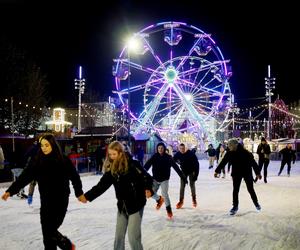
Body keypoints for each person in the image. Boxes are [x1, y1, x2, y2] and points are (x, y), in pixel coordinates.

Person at [1, 133, 85, 249]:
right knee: (47, 235)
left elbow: (75, 177)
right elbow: (25, 177)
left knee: (50, 230)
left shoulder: (63, 160)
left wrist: (79, 193)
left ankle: (66, 245)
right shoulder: (37, 161)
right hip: (45, 202)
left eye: (47, 145)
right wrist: (10, 191)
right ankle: (66, 245)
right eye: (42, 145)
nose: (44, 148)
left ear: (53, 145)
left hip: (60, 201)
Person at [81, 141, 153, 250]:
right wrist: (87, 196)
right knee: (119, 237)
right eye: (110, 154)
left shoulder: (133, 164)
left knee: (133, 237)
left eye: (114, 154)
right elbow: (101, 186)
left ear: (120, 153)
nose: (112, 157)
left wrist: (148, 189)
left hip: (136, 205)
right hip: (122, 206)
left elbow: (147, 177)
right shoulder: (112, 170)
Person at [214, 138, 262, 215]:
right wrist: (217, 170)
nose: (228, 147)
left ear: (234, 146)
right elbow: (224, 162)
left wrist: (258, 173)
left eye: (230, 146)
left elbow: (253, 163)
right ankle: (235, 206)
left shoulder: (246, 153)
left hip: (247, 172)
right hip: (236, 173)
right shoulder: (230, 153)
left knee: (250, 189)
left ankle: (256, 203)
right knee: (235, 190)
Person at [144, 142, 187, 219]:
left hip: (164, 180)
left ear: (164, 149)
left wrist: (182, 177)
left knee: (165, 194)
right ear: (157, 149)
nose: (160, 149)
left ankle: (169, 210)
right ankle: (159, 200)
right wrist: (142, 171)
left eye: (162, 148)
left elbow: (176, 167)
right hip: (155, 179)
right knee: (150, 193)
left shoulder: (168, 157)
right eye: (159, 148)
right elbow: (147, 165)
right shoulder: (154, 157)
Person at [173, 143, 199, 209]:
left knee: (192, 185)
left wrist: (196, 175)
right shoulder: (178, 154)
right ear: (179, 148)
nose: (182, 150)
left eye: (183, 148)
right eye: (180, 148)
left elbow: (197, 165)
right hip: (183, 172)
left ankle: (194, 199)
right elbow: (173, 160)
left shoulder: (191, 154)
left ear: (186, 148)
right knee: (182, 187)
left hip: (191, 171)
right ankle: (181, 201)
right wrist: (178, 162)